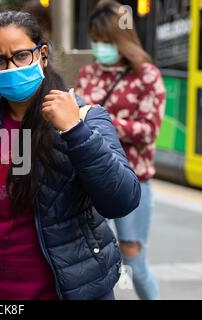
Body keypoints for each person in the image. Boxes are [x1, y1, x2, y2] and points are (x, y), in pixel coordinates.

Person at [0, 11, 141, 301]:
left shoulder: (85, 119)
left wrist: (75, 132)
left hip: (66, 292)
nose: (11, 67)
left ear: (41, 54)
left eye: (21, 56)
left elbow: (122, 199)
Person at [75, 0, 166, 300]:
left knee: (133, 260)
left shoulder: (147, 75)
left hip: (133, 181)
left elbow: (149, 130)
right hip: (90, 179)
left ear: (121, 39)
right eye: (96, 40)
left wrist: (103, 120)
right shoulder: (89, 73)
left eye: (106, 41)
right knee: (90, 260)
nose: (100, 47)